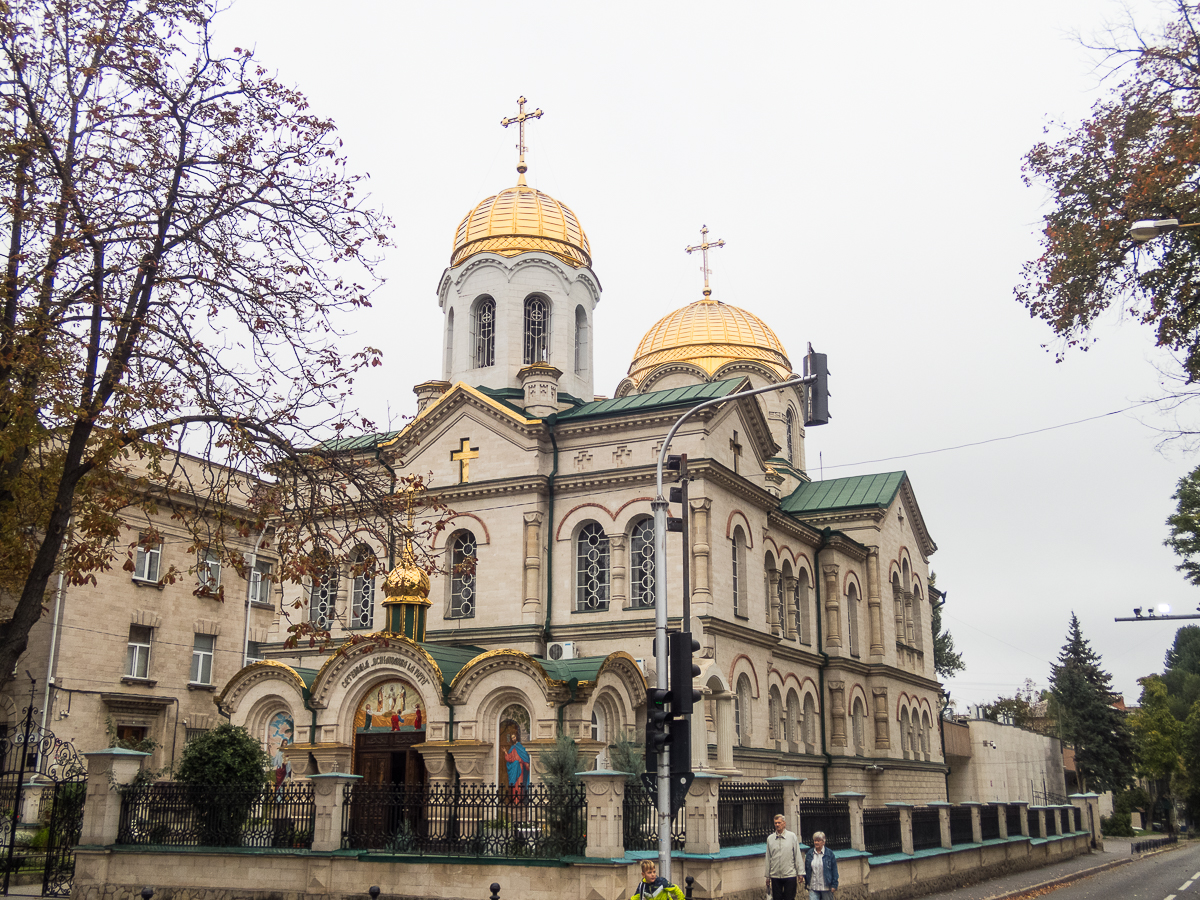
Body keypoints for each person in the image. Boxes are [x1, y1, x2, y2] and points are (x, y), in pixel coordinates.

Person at [764, 814, 803, 900]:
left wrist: (800, 873)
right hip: (775, 875)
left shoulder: (792, 836)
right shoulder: (770, 839)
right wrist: (767, 876)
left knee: (789, 897)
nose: (777, 825)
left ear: (784, 824)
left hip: (789, 874)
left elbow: (797, 855)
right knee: (777, 898)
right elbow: (768, 858)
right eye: (775, 823)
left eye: (779, 823)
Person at [803, 831, 838, 900]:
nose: (816, 842)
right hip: (813, 886)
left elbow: (834, 870)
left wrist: (834, 884)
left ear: (823, 842)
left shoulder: (829, 853)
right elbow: (807, 869)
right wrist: (806, 881)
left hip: (826, 887)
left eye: (818, 841)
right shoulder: (810, 853)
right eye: (815, 841)